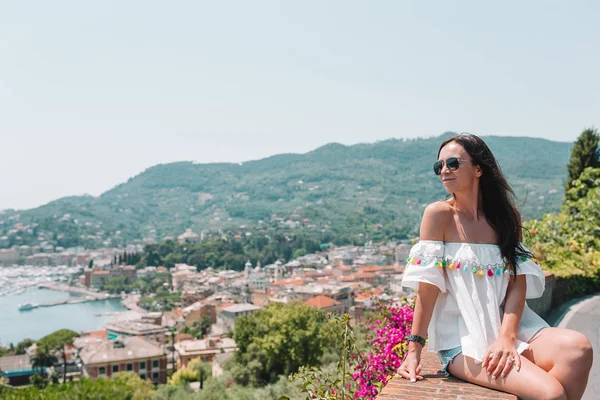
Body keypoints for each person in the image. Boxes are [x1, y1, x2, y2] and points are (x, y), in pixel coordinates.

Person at [397, 134, 593, 400]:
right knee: (551, 393)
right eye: (439, 165)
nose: (444, 170)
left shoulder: (505, 217)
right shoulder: (438, 215)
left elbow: (517, 282)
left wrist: (507, 338)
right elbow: (428, 286)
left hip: (510, 328)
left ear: (479, 168)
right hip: (463, 341)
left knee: (579, 349)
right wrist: (413, 352)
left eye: (453, 162)